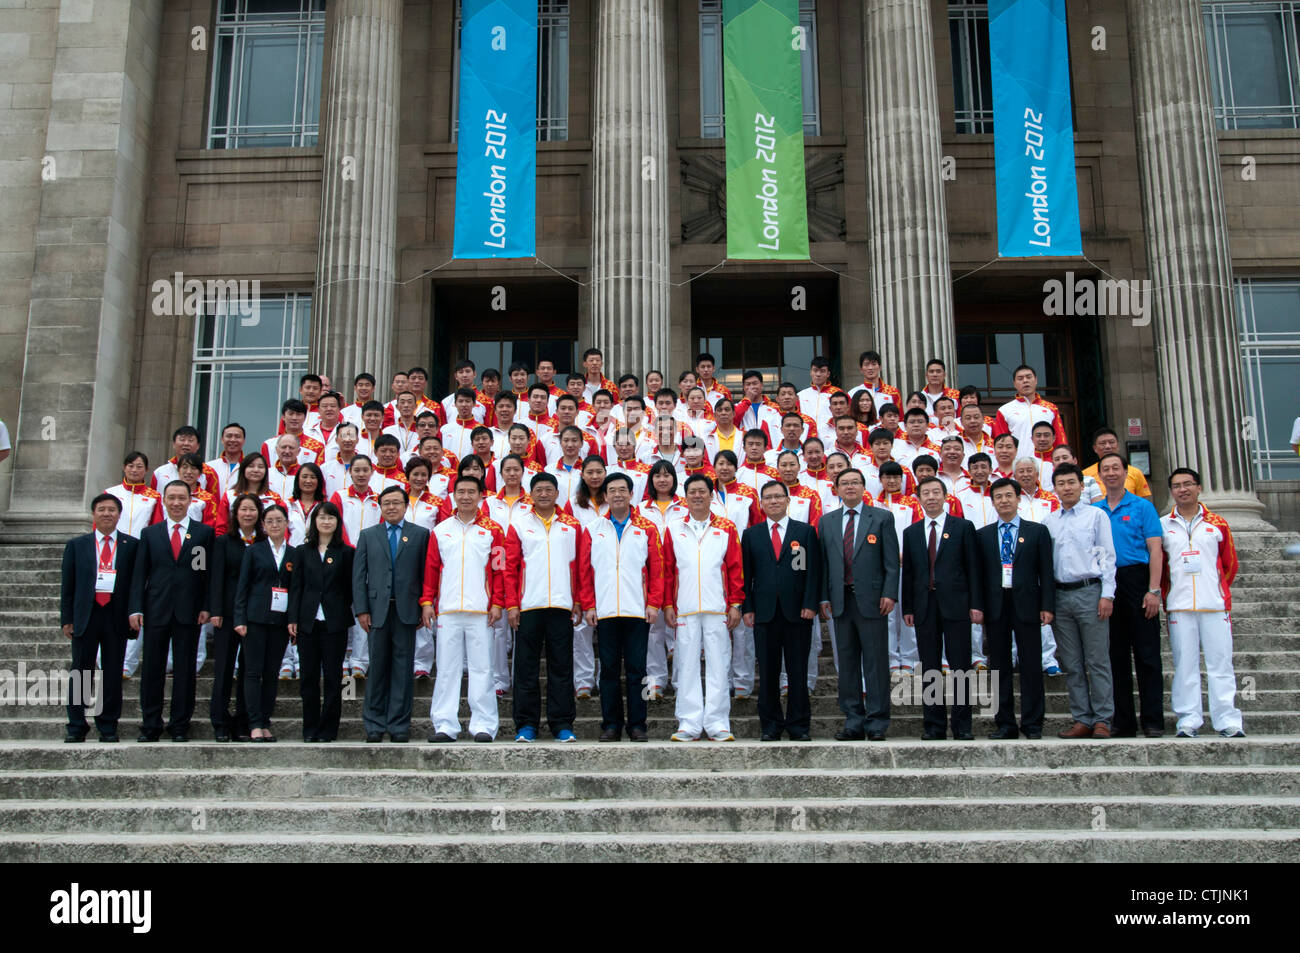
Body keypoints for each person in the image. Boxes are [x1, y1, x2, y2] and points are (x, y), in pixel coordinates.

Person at [577, 472, 665, 742]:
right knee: (609, 670)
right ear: (604, 496)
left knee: (640, 670)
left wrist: (654, 603)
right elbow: (584, 571)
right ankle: (611, 724)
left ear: (631, 494)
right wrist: (589, 605)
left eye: (622, 490)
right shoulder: (593, 528)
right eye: (611, 490)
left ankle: (639, 724)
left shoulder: (647, 528)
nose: (617, 494)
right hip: (605, 612)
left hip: (637, 610)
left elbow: (658, 570)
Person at [422, 475, 508, 743]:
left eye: (472, 492)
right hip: (448, 610)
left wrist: (497, 602)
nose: (466, 497)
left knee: (483, 668)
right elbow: (431, 569)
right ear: (453, 496)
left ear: (481, 495)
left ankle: (484, 724)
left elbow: (499, 572)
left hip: (481, 611)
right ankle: (445, 725)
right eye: (461, 492)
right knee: (447, 668)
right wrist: (427, 602)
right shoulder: (440, 530)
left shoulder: (494, 530)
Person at [1161, 468, 1245, 738]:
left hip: (1214, 605)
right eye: (1176, 486)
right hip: (1179, 606)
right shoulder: (1164, 525)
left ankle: (1227, 720)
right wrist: (1167, 595)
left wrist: (1218, 591)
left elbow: (1230, 564)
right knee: (1184, 665)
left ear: (1199, 487)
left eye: (1188, 484)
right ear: (1171, 491)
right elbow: (1162, 568)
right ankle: (1188, 719)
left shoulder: (1217, 523)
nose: (1182, 489)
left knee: (1221, 665)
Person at [128, 480, 214, 742]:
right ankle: (150, 724)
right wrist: (135, 608)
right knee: (152, 670)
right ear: (164, 501)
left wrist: (206, 606)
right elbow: (140, 574)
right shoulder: (150, 534)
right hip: (156, 610)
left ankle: (180, 725)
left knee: (185, 671)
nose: (176, 503)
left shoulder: (202, 534)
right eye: (171, 498)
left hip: (189, 612)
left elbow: (205, 574)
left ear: (191, 501)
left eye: (181, 498)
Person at [661, 475, 744, 742]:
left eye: (702, 491)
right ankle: (689, 722)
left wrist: (735, 603)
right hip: (684, 607)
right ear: (685, 497)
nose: (697, 496)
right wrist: (667, 604)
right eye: (692, 492)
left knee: (719, 663)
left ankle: (718, 722)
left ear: (711, 495)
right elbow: (667, 571)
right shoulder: (674, 528)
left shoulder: (726, 527)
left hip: (717, 607)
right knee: (685, 664)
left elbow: (734, 568)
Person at [818, 467, 898, 740]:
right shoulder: (826, 521)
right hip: (841, 601)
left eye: (855, 482)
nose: (850, 487)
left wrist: (890, 593)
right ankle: (853, 720)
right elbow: (824, 563)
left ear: (864, 487)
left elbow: (891, 562)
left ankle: (876, 722)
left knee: (875, 662)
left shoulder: (882, 518)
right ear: (836, 489)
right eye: (845, 483)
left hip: (873, 601)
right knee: (848, 663)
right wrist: (824, 596)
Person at [504, 472, 583, 742]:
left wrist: (579, 600)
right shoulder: (519, 524)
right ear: (531, 493)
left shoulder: (572, 525)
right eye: (539, 490)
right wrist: (512, 604)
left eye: (549, 489)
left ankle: (562, 724)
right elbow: (510, 568)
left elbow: (580, 568)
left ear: (557, 493)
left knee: (561, 668)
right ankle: (526, 725)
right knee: (525, 668)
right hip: (528, 607)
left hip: (562, 606)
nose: (544, 494)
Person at [901, 477, 982, 740]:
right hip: (925, 606)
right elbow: (910, 573)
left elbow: (973, 568)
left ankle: (962, 725)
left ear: (946, 496)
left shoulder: (963, 527)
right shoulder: (911, 532)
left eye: (936, 492)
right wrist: (908, 607)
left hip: (957, 605)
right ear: (919, 498)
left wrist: (975, 604)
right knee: (930, 666)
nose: (932, 497)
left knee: (960, 665)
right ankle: (933, 725)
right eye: (926, 493)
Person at [741, 480, 822, 741]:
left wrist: (810, 604)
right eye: (768, 498)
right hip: (764, 614)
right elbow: (747, 576)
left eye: (778, 496)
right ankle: (771, 726)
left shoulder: (804, 532)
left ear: (788, 501)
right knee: (768, 672)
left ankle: (799, 726)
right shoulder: (751, 535)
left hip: (798, 613)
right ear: (762, 503)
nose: (773, 501)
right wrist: (748, 608)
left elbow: (810, 573)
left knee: (797, 671)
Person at [977, 478, 1055, 739]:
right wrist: (977, 607)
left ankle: (1033, 723)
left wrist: (1047, 605)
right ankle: (1006, 724)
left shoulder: (1036, 532)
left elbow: (1046, 571)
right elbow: (978, 576)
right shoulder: (984, 535)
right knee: (999, 668)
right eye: (998, 497)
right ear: (993, 501)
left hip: (1028, 605)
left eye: (1008, 496)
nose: (1004, 501)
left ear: (1018, 498)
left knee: (1031, 665)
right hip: (996, 607)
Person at [1043, 463, 1118, 739]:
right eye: (1061, 483)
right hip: (1061, 596)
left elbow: (1107, 557)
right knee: (1072, 663)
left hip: (1090, 592)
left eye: (1071, 482)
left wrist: (1107, 593)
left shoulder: (1096, 516)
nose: (1067, 488)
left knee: (1097, 661)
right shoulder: (1049, 521)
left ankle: (1102, 720)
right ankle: (1081, 719)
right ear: (1055, 489)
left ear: (1081, 485)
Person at [352, 485, 430, 743]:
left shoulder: (420, 535)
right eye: (386, 503)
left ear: (406, 506)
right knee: (377, 669)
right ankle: (374, 724)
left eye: (397, 503)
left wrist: (423, 606)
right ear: (380, 507)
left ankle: (398, 725)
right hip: (376, 612)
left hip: (407, 611)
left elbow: (424, 575)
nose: (392, 507)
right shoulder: (368, 535)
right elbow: (358, 576)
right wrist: (362, 609)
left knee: (402, 669)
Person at [1095, 451, 1165, 738]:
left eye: (1116, 468)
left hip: (1138, 579)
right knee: (1116, 656)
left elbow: (1156, 550)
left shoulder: (1142, 507)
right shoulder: (1095, 510)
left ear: (1126, 473)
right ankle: (1123, 721)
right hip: (1109, 584)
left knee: (1147, 655)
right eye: (1106, 469)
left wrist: (1154, 590)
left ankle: (1153, 720)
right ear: (1099, 475)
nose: (1111, 473)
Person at [61, 493, 139, 743]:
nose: (107, 514)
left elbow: (136, 585)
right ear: (94, 514)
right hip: (87, 614)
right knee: (81, 671)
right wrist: (67, 618)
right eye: (102, 509)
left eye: (112, 510)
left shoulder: (132, 545)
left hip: (115, 615)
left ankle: (107, 725)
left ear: (119, 514)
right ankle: (76, 725)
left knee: (112, 672)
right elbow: (68, 585)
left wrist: (134, 612)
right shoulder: (77, 545)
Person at [287, 500, 354, 743]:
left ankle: (329, 728)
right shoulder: (302, 552)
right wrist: (293, 618)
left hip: (335, 622)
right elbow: (296, 588)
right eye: (322, 517)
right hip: (308, 622)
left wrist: (338, 606)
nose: (326, 521)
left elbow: (349, 588)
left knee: (335, 677)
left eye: (331, 517)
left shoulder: (346, 552)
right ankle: (310, 727)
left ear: (338, 522)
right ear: (314, 521)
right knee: (308, 677)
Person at [232, 503, 294, 742]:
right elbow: (243, 587)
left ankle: (265, 721)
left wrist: (292, 620)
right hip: (255, 618)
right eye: (270, 521)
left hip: (279, 621)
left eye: (279, 520)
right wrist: (240, 618)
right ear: (264, 526)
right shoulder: (254, 551)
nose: (275, 525)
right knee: (252, 671)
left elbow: (295, 588)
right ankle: (254, 722)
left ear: (287, 524)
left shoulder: (293, 553)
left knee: (271, 672)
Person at [207, 493, 260, 741]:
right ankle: (219, 721)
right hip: (227, 614)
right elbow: (215, 577)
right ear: (235, 514)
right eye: (243, 510)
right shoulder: (224, 542)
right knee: (224, 668)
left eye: (252, 510)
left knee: (250, 669)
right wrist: (215, 610)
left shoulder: (262, 542)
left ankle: (243, 721)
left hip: (255, 614)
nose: (248, 514)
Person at [639, 460, 688, 700]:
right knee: (652, 631)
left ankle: (680, 681)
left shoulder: (686, 507)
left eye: (667, 475)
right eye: (657, 475)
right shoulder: (639, 508)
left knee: (680, 630)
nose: (662, 479)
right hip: (650, 573)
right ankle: (654, 683)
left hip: (681, 572)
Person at [567, 455, 608, 699]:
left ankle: (604, 678)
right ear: (582, 475)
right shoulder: (574, 504)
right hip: (581, 569)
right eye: (590, 472)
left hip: (606, 569)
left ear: (605, 473)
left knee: (606, 628)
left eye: (598, 472)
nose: (594, 476)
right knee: (581, 628)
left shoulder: (612, 499)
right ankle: (583, 680)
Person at [991, 364, 1068, 451]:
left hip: (1047, 462)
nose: (1025, 381)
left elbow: (1059, 439)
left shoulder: (1051, 408)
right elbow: (1000, 443)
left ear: (1036, 380)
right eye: (1020, 378)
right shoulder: (1004, 411)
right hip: (1019, 463)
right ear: (1014, 384)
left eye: (1028, 377)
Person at [1082, 427, 1152, 499]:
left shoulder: (1135, 472)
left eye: (1111, 442)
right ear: (1095, 448)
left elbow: (1144, 502)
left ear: (1118, 445)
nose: (1108, 446)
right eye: (1102, 443)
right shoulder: (1085, 474)